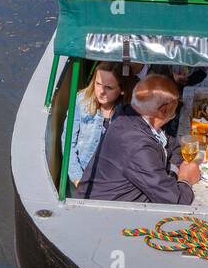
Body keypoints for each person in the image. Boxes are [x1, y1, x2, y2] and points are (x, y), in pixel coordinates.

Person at [77, 75, 200, 203]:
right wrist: (186, 179)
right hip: (105, 215)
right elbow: (176, 201)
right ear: (164, 110)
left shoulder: (131, 116)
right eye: (176, 107)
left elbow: (172, 146)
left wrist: (172, 172)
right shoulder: (137, 145)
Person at [67, 62, 127, 187]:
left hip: (112, 180)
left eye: (109, 87)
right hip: (82, 173)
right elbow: (67, 141)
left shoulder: (128, 112)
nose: (101, 92)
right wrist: (77, 177)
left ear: (122, 90)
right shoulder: (81, 100)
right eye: (98, 84)